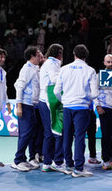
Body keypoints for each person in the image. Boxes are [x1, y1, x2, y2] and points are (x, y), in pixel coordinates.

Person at [54, 44, 99, 177]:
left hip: (67, 107)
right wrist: (86, 98)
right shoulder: (90, 70)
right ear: (86, 56)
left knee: (67, 137)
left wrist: (65, 100)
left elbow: (56, 91)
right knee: (79, 137)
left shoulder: (64, 69)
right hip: (82, 108)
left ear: (74, 54)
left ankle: (68, 165)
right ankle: (78, 169)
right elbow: (95, 93)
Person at [11, 46, 41, 172]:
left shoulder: (35, 69)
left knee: (29, 133)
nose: (40, 56)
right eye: (38, 54)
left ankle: (23, 158)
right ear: (32, 56)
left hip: (31, 105)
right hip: (25, 105)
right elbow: (19, 86)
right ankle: (17, 160)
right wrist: (19, 105)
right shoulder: (27, 69)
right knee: (25, 133)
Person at [37, 44, 65, 172]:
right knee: (58, 133)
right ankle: (57, 162)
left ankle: (47, 163)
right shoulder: (53, 63)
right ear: (59, 53)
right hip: (51, 99)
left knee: (49, 133)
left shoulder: (47, 63)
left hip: (44, 99)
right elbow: (55, 80)